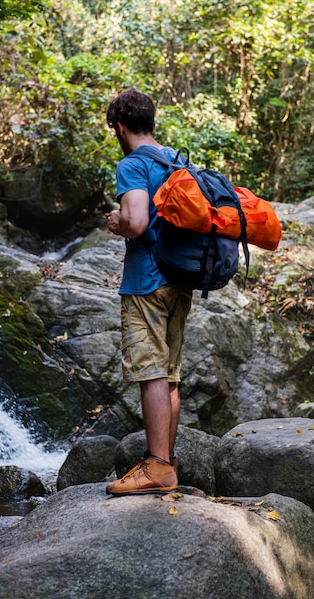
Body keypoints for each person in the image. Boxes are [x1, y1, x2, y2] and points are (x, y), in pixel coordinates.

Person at [106, 88, 192, 496]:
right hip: (180, 279)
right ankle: (167, 462)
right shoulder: (176, 159)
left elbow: (137, 222)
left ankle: (157, 468)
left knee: (151, 372)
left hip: (146, 280)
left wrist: (117, 220)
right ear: (153, 123)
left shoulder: (132, 164)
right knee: (170, 373)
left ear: (120, 128)